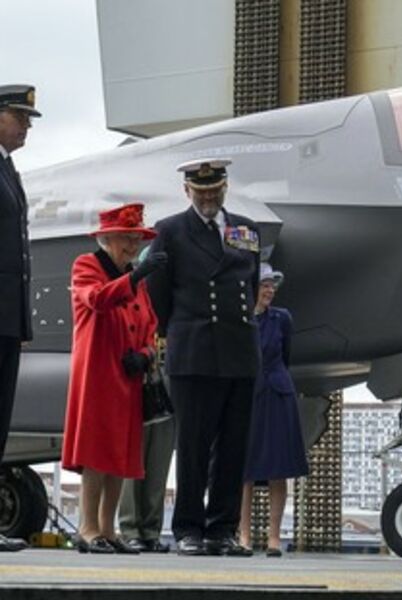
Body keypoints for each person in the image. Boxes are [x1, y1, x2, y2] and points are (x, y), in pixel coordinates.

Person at [147, 157, 260, 557]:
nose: (208, 197)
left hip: (239, 349)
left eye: (214, 190)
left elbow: (250, 284)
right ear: (187, 191)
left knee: (233, 446)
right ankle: (189, 528)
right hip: (195, 349)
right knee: (194, 446)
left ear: (225, 188)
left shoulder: (246, 229)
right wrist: (179, 332)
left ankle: (222, 529)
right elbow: (158, 293)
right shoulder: (170, 231)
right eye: (201, 192)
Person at [61, 203, 167, 554]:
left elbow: (151, 324)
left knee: (120, 453)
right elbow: (97, 299)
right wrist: (134, 278)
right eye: (126, 238)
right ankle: (88, 528)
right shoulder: (87, 265)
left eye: (137, 239)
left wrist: (146, 354)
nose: (133, 245)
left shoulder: (135, 277)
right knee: (97, 451)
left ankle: (108, 528)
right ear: (106, 239)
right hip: (98, 373)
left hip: (128, 375)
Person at [239, 263, 309, 556]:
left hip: (278, 394)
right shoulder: (240, 318)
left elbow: (286, 355)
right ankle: (244, 535)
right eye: (264, 285)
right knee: (245, 470)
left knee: (279, 468)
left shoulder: (282, 319)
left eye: (271, 286)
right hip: (249, 395)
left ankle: (274, 537)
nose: (269, 291)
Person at [0, 85, 41, 552]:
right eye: (19, 117)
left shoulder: (8, 169)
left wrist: (21, 324)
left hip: (7, 318)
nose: (26, 127)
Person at [118, 245, 175, 553]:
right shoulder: (132, 296)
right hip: (137, 382)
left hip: (165, 385)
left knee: (159, 461)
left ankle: (151, 529)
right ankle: (130, 527)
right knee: (132, 461)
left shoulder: (174, 301)